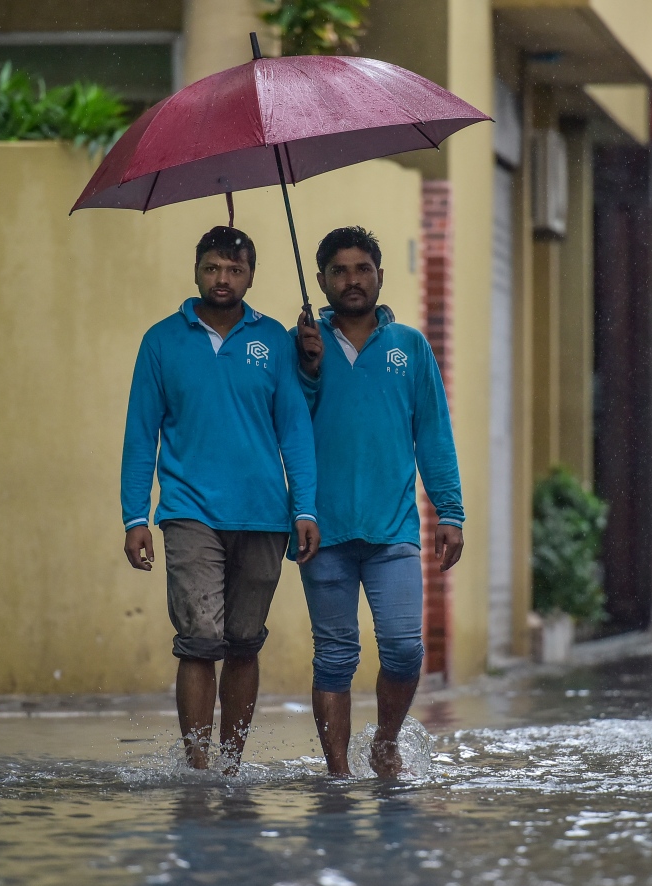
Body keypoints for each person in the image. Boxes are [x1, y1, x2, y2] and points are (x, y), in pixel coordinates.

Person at [121, 226, 321, 772]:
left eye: (234, 270)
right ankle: (198, 764)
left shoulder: (276, 340)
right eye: (212, 268)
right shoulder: (162, 341)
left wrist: (304, 507)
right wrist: (135, 515)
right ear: (196, 271)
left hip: (263, 513)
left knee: (243, 641)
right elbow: (142, 434)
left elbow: (295, 431)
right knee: (200, 637)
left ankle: (231, 764)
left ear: (251, 275)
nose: (222, 279)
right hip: (189, 511)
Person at [292, 226, 464, 778]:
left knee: (404, 649)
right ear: (320, 280)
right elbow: (284, 422)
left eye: (362, 269)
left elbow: (434, 434)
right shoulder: (300, 345)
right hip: (322, 529)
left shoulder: (409, 347)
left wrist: (450, 511)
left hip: (393, 530)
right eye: (338, 271)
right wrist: (310, 370)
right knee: (335, 657)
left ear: (381, 276)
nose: (352, 280)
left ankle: (385, 741)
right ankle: (338, 772)